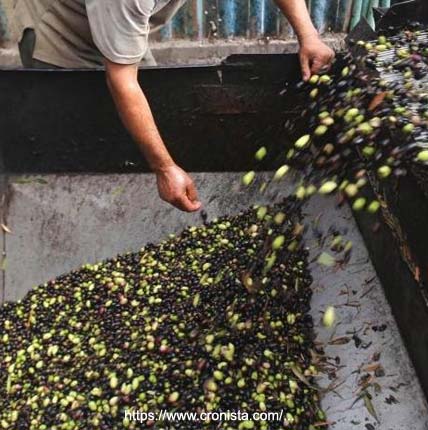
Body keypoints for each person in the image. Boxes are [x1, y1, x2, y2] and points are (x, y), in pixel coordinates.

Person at [12, 0, 334, 212]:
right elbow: (124, 82)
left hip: (113, 20)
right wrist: (164, 168)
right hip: (62, 30)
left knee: (147, 116)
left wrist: (308, 35)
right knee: (81, 143)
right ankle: (72, 210)